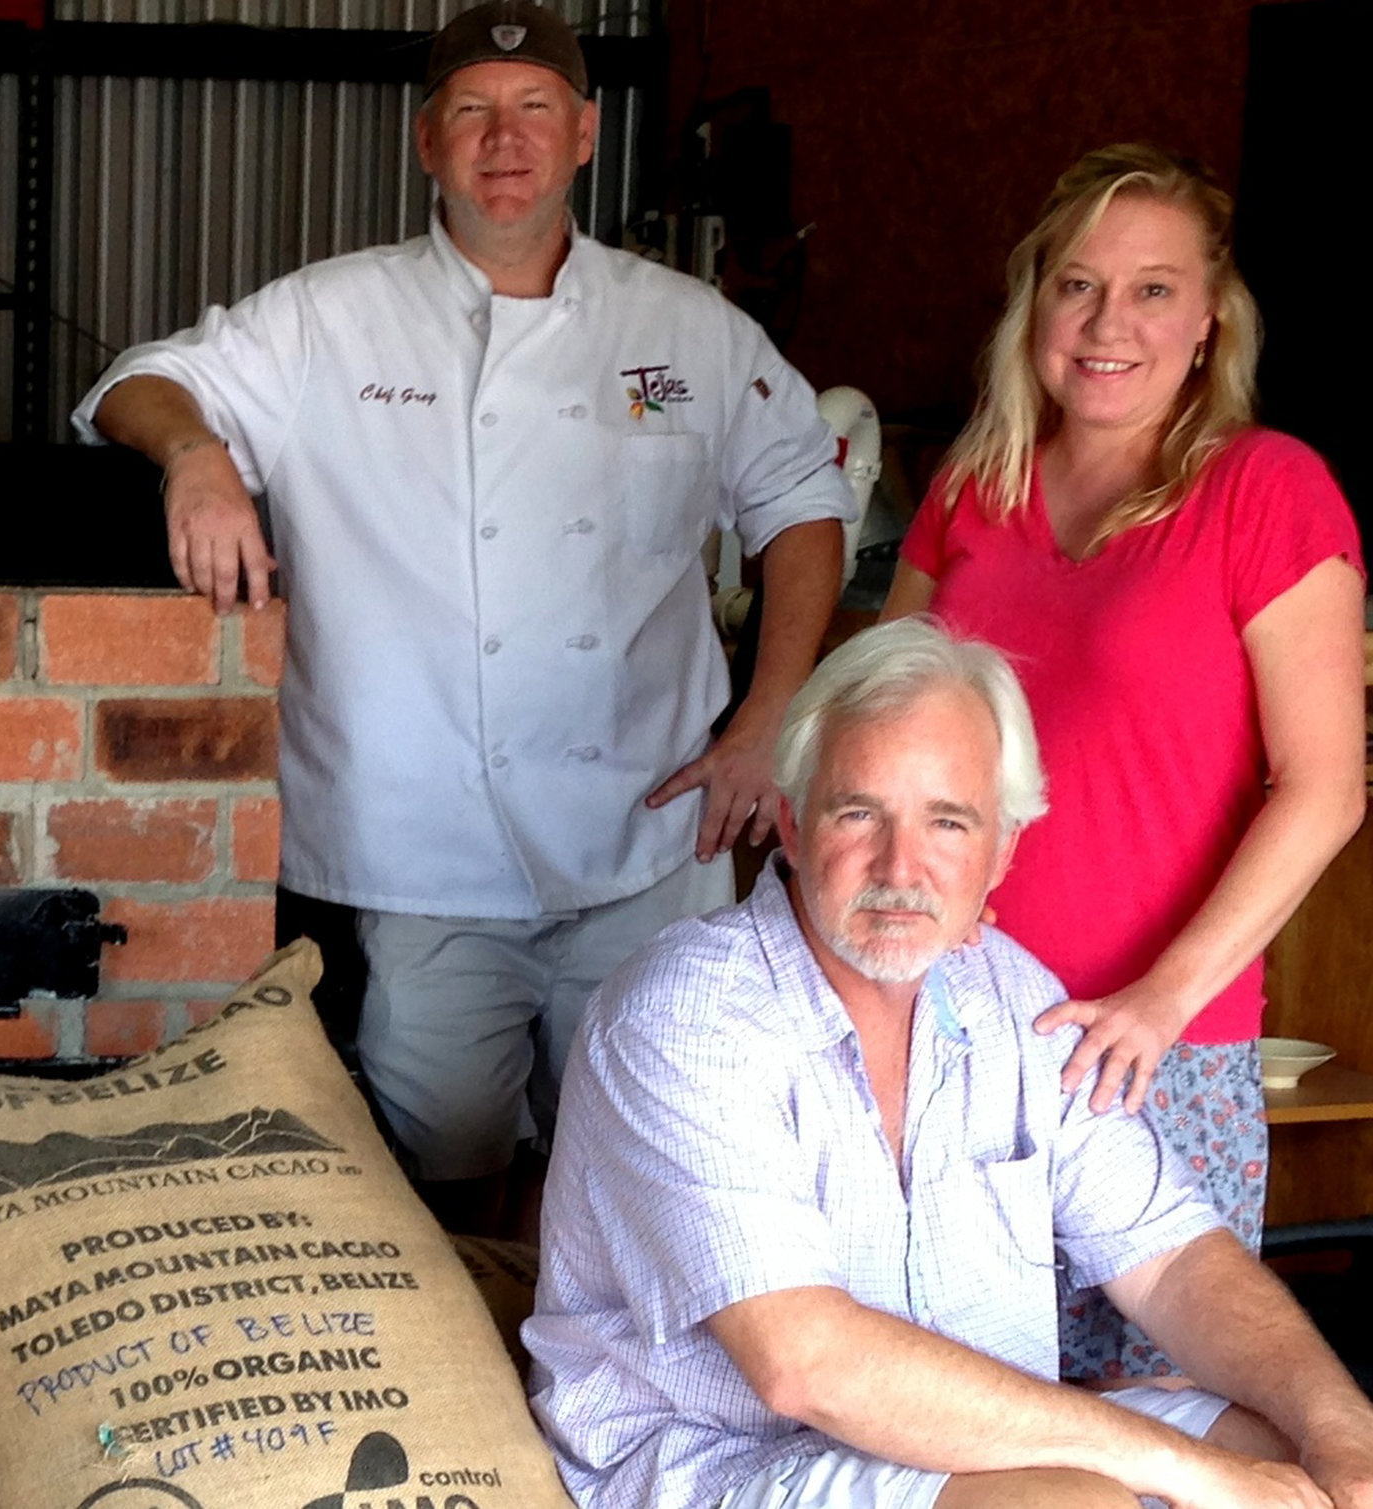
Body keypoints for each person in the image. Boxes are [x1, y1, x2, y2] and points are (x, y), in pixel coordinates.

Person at [71, 1, 852, 1228]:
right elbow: (138, 384)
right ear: (426, 141)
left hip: (648, 833)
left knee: (658, 1167)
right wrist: (197, 461)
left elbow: (801, 500)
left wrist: (768, 721)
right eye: (474, 112)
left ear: (584, 134)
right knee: (447, 1179)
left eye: (534, 108)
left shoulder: (684, 325)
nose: (506, 139)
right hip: (424, 852)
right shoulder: (330, 316)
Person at [526, 616, 1373, 1509]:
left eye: (948, 821)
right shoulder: (684, 1014)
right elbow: (805, 1364)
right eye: (860, 812)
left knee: (1304, 1455)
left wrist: (1342, 1430)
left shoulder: (1009, 994)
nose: (903, 866)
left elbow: (1170, 1258)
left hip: (962, 1444)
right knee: (1085, 1504)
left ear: (1002, 849)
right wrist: (1177, 1465)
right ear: (792, 818)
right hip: (725, 1461)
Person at [883, 143, 1366, 1378]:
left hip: (1148, 1045)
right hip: (944, 1024)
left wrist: (1163, 997)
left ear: (1209, 322)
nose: (1108, 323)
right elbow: (878, 724)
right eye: (1076, 285)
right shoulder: (970, 486)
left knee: (1158, 1408)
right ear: (1032, 305)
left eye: (1152, 288)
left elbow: (1321, 787)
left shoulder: (1266, 490)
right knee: (950, 1392)